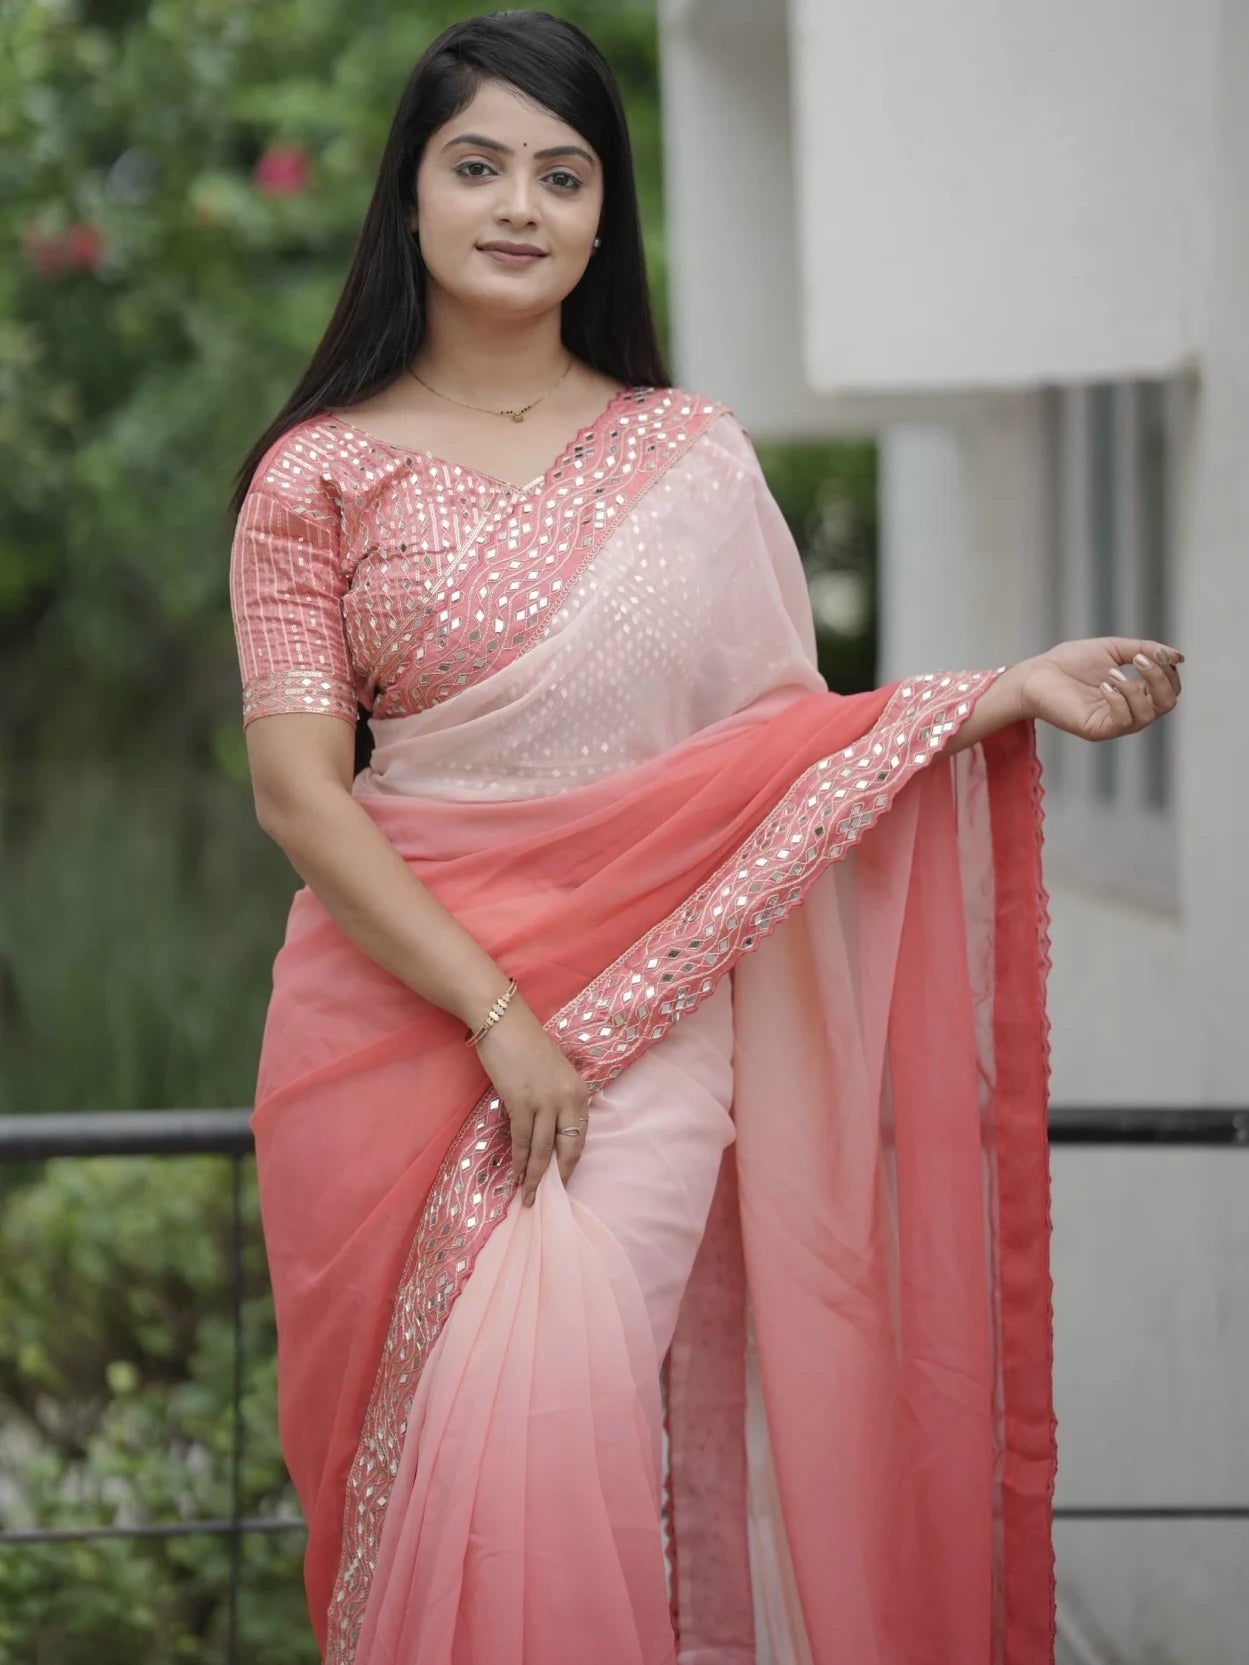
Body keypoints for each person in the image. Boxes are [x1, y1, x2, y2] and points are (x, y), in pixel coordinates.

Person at [226, 13, 1183, 1665]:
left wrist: (992, 695)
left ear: (605, 215)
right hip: (388, 1028)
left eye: (563, 172)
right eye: (477, 166)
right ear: (409, 198)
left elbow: (768, 750)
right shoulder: (316, 478)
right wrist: (496, 1014)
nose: (519, 204)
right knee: (423, 1473)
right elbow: (301, 792)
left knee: (560, 1396)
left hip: (653, 1014)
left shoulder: (689, 458)